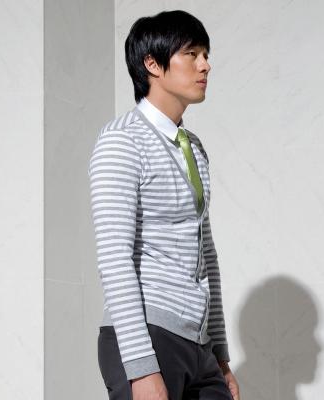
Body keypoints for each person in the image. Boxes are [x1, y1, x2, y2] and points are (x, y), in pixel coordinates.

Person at [88, 9, 240, 400]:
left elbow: (205, 253)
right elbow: (114, 257)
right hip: (148, 339)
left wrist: (220, 356)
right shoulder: (122, 141)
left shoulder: (193, 148)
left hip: (199, 345)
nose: (205, 65)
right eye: (191, 54)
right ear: (152, 64)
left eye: (205, 54)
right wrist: (141, 368)